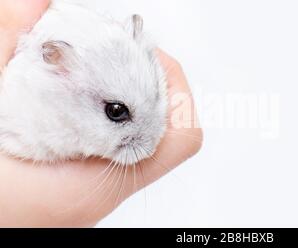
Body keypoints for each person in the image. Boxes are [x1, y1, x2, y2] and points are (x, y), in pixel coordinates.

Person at [0, 0, 202, 227]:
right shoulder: (31, 101)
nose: (151, 140)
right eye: (116, 112)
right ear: (57, 63)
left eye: (155, 95)